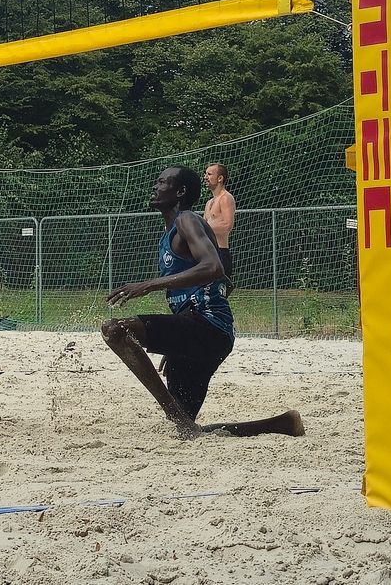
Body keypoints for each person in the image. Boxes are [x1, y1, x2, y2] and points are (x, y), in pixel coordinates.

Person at [102, 166, 302, 439]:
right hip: (205, 332)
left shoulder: (187, 220)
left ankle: (179, 417)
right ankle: (282, 424)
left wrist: (148, 285)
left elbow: (213, 267)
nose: (155, 186)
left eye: (162, 182)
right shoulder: (171, 230)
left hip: (206, 327)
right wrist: (174, 342)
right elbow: (225, 285)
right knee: (187, 429)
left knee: (115, 329)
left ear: (180, 192)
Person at [203, 163, 235, 279]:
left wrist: (202, 227)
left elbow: (227, 225)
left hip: (220, 253)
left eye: (209, 174)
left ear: (220, 178)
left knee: (218, 295)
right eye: (205, 174)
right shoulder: (209, 203)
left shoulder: (225, 198)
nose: (205, 177)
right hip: (206, 254)